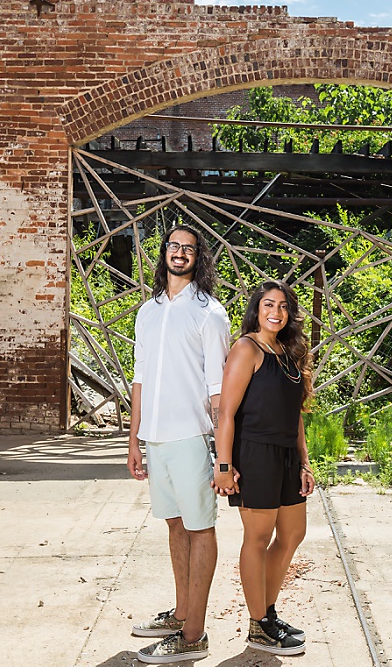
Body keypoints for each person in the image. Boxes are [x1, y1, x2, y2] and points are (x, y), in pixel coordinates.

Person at [128, 224, 231, 664]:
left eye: (189, 249)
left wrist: (223, 456)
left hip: (192, 437)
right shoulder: (147, 311)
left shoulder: (211, 313)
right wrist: (133, 440)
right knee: (174, 524)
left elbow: (218, 391)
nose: (180, 253)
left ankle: (194, 634)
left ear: (199, 258)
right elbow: (139, 380)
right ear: (164, 253)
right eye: (174, 246)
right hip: (154, 439)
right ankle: (181, 613)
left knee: (199, 527)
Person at [213, 279, 315, 655]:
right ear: (256, 309)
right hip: (255, 454)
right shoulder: (247, 348)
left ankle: (267, 614)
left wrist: (304, 462)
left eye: (284, 306)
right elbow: (226, 412)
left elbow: (297, 415)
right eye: (269, 304)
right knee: (257, 539)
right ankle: (258, 625)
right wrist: (223, 464)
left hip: (287, 455)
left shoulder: (287, 353)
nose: (276, 312)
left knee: (292, 535)